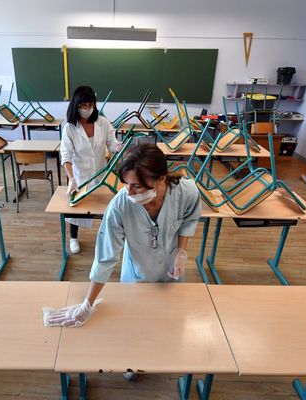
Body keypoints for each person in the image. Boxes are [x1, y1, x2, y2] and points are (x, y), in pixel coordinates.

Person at [48, 143, 202, 330]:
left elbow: (188, 219)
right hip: (136, 277)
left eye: (136, 186)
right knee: (136, 328)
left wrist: (181, 252)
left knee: (168, 328)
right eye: (126, 184)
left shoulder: (187, 193)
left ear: (161, 179)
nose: (128, 192)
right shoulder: (120, 205)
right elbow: (106, 256)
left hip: (171, 274)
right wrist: (87, 305)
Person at [60, 86, 122, 254]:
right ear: (76, 105)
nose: (87, 109)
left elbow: (112, 143)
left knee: (104, 208)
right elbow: (65, 156)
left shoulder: (102, 122)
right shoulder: (70, 128)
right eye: (83, 105)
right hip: (80, 176)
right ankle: (73, 238)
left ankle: (105, 238)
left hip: (101, 174)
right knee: (77, 210)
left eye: (90, 105)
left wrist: (121, 147)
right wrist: (71, 179)